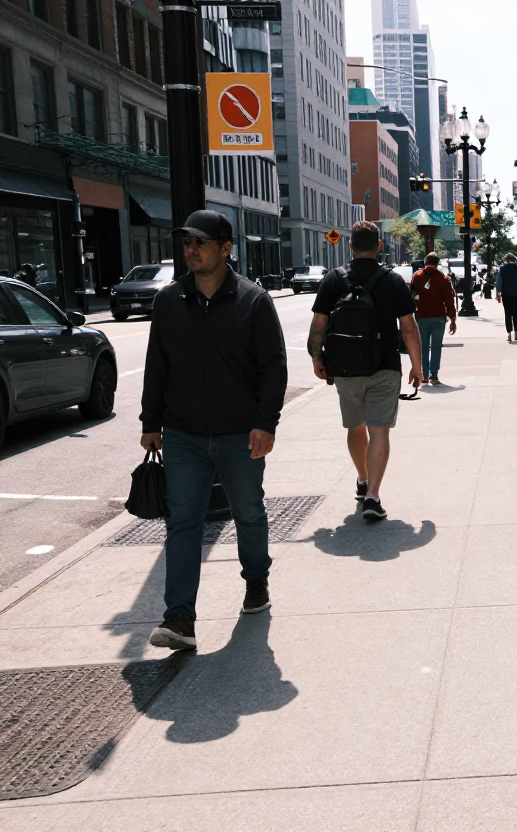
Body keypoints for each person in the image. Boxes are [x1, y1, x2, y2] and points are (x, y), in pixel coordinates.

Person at [140, 210, 288, 651]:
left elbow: (273, 368)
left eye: (199, 243)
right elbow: (157, 364)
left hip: (240, 434)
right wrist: (151, 422)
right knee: (183, 522)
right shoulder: (169, 300)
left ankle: (256, 580)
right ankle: (179, 617)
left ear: (226, 248)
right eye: (186, 243)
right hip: (183, 434)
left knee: (248, 512)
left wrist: (266, 422)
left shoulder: (253, 300)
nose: (190, 250)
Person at [307, 221, 422, 522]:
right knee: (379, 430)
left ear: (350, 246)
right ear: (379, 246)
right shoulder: (394, 281)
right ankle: (373, 496)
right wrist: (417, 366)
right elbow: (409, 328)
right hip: (385, 366)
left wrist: (317, 358)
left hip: (345, 369)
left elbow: (319, 325)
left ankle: (362, 478)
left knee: (355, 427)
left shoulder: (334, 279)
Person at [411, 252, 458, 385]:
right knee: (436, 346)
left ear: (425, 263)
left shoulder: (417, 276)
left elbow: (411, 295)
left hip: (422, 316)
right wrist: (453, 319)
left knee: (423, 346)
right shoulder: (443, 279)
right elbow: (449, 301)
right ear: (437, 263)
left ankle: (424, 374)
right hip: (439, 317)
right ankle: (434, 375)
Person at [496, 252, 517, 341]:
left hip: (506, 294)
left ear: (506, 260)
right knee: (515, 313)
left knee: (507, 313)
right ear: (514, 260)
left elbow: (499, 282)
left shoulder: (502, 269)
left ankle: (509, 334)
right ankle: (516, 333)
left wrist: (498, 294)